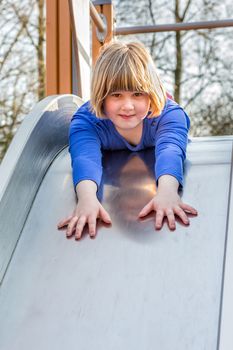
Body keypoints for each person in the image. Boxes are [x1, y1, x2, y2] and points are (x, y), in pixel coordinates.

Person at [57, 41, 198, 240]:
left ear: (150, 93)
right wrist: (87, 198)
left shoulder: (169, 116)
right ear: (102, 96)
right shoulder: (87, 121)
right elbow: (85, 158)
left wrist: (167, 191)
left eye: (138, 94)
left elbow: (170, 149)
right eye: (116, 95)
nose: (128, 106)